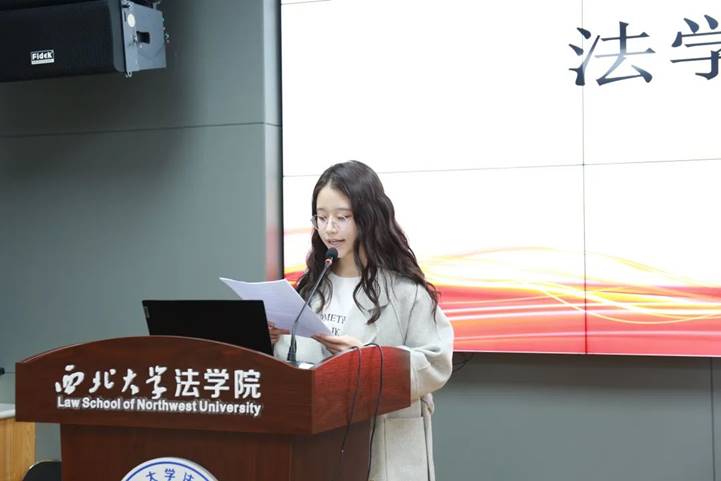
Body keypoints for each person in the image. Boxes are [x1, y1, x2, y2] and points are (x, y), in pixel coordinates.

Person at [271, 160, 454, 481]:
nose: (329, 229)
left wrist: (367, 361)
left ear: (368, 218)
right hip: (317, 449)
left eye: (342, 217)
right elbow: (297, 368)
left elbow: (436, 363)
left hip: (381, 451)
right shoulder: (310, 288)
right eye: (321, 217)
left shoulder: (405, 292)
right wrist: (273, 340)